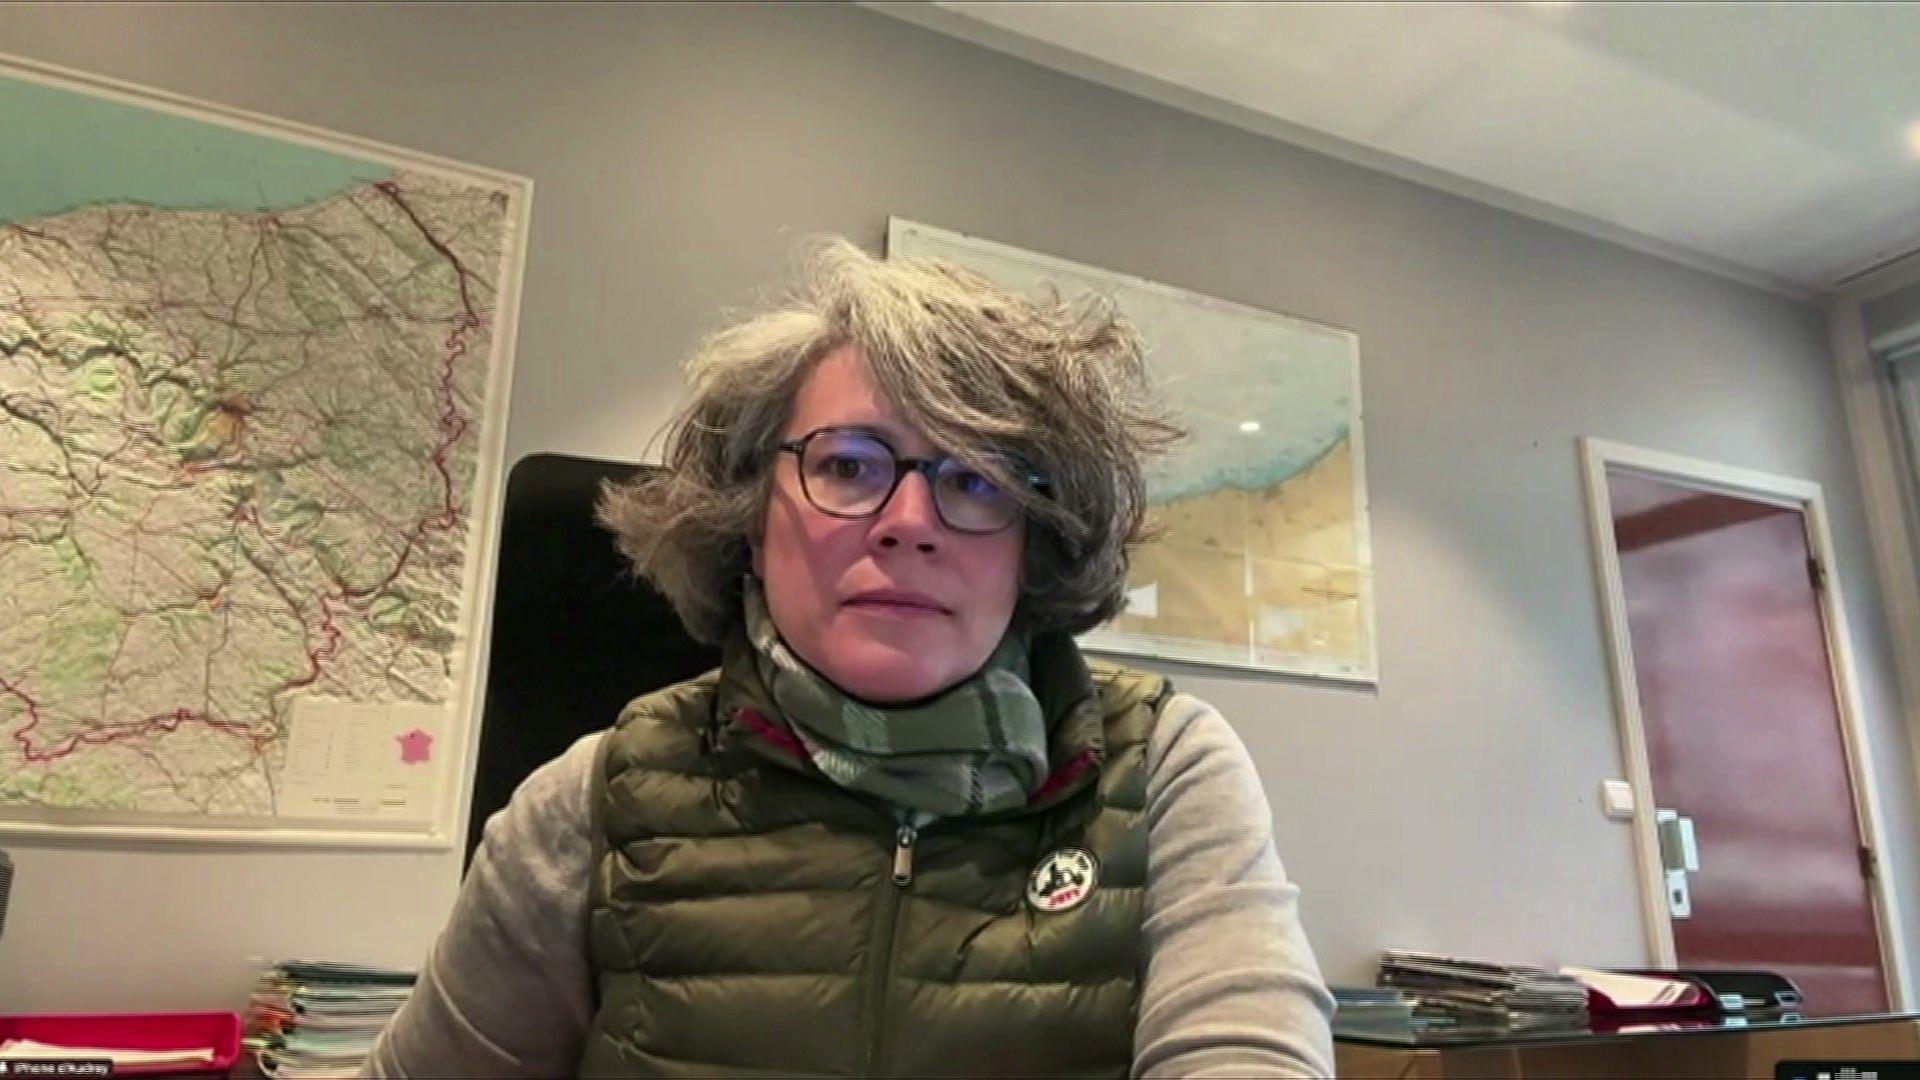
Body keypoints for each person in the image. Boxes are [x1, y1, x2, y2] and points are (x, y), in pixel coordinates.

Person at [363, 240, 1335, 1078]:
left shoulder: (1165, 769)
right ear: (749, 511)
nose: (909, 523)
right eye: (848, 465)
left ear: (1033, 540)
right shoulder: (593, 799)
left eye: (976, 478)